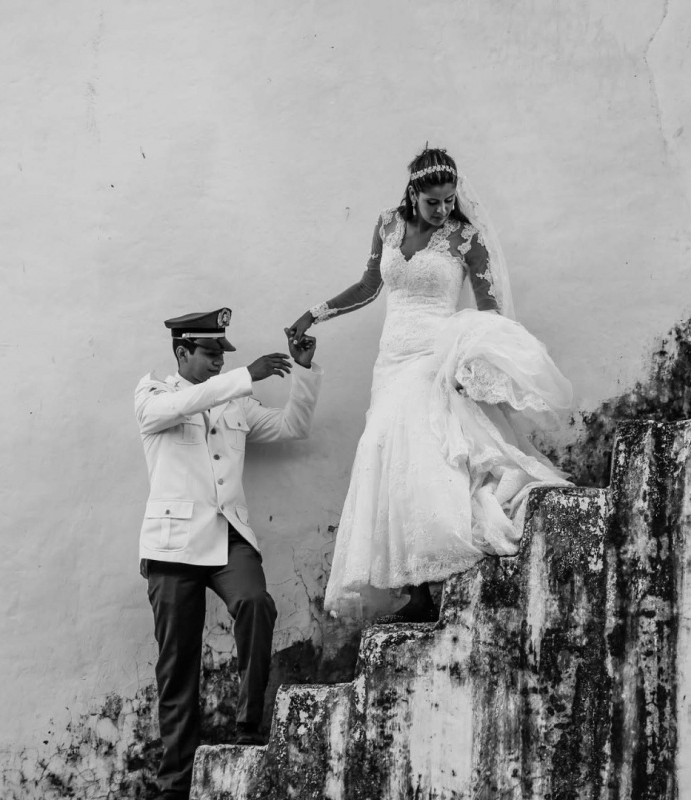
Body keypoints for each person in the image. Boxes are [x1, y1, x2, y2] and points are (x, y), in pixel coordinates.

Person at [287, 147, 571, 623]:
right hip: (391, 359)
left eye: (448, 201)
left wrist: (469, 363)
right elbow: (368, 286)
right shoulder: (386, 225)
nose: (441, 210)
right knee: (387, 453)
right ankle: (414, 582)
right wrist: (313, 314)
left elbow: (490, 311)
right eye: (432, 202)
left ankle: (428, 584)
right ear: (413, 194)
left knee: (418, 448)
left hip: (432, 356)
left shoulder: (464, 237)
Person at [134, 308, 320, 800]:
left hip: (228, 534)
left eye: (224, 354)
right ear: (182, 353)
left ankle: (248, 721)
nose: (219, 361)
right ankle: (176, 784)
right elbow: (188, 403)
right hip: (173, 546)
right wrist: (244, 376)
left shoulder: (235, 401)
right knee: (178, 667)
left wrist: (303, 372)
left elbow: (291, 427)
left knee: (256, 603)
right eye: (211, 352)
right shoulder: (154, 395)